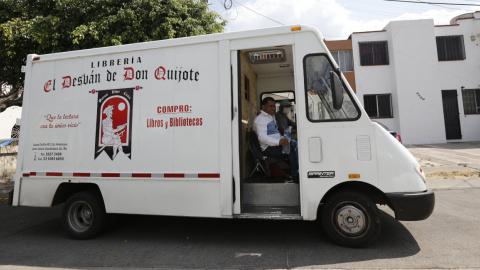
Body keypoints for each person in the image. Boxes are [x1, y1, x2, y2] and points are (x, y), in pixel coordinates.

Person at [254, 97, 299, 181]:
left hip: (275, 144)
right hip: (268, 148)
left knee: (294, 143)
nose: (273, 108)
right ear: (263, 107)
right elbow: (262, 137)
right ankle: (295, 174)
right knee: (292, 147)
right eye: (270, 106)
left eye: (274, 106)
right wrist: (278, 142)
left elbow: (275, 133)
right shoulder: (260, 120)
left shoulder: (271, 116)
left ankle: (298, 169)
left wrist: (282, 139)